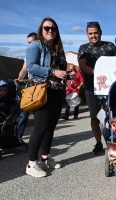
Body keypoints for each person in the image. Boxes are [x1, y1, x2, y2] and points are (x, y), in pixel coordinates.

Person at [25, 18, 74, 178]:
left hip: (57, 90)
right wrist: (53, 72)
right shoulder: (35, 45)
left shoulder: (58, 48)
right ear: (41, 29)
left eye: (53, 28)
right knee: (41, 126)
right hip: (42, 90)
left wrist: (67, 74)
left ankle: (45, 157)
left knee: (50, 127)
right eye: (47, 28)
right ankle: (31, 163)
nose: (50, 31)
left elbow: (61, 68)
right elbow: (31, 67)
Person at [78, 21, 116, 155]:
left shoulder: (110, 46)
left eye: (96, 33)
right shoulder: (83, 48)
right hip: (92, 88)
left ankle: (115, 139)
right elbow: (83, 66)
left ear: (100, 32)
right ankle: (98, 143)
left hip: (111, 88)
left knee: (114, 114)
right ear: (87, 34)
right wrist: (100, 73)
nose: (93, 36)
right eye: (90, 34)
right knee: (95, 117)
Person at [15, 32, 37, 142]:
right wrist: (19, 78)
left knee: (40, 115)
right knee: (24, 112)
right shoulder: (28, 54)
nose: (30, 45)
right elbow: (24, 69)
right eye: (28, 43)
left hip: (41, 87)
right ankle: (18, 137)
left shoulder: (44, 53)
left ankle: (41, 136)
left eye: (32, 42)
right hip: (30, 87)